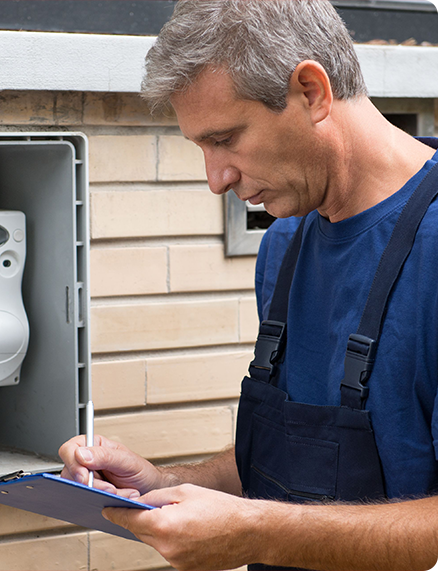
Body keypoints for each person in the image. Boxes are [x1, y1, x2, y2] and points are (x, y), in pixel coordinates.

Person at [60, 1, 438, 569]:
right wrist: (162, 482)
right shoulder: (284, 248)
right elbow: (297, 462)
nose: (217, 179)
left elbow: (276, 521)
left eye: (226, 139)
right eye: (202, 150)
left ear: (311, 91)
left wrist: (258, 532)